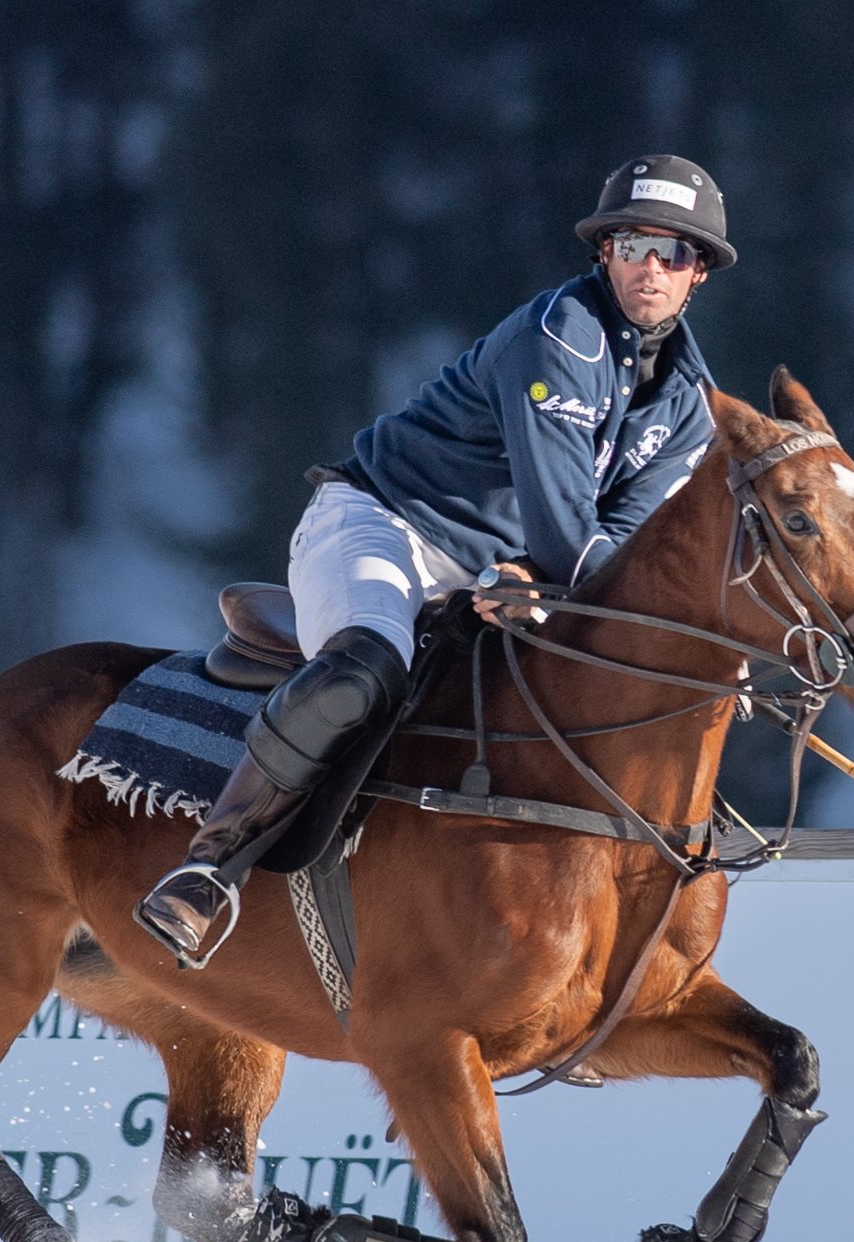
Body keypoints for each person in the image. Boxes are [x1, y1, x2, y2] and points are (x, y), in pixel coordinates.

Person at [135, 154, 732, 965]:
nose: (651, 268)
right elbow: (570, 535)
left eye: (674, 253)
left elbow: (619, 544)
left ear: (699, 272)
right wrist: (559, 583)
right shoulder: (557, 338)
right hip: (384, 527)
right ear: (605, 253)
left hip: (501, 577)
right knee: (364, 670)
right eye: (634, 245)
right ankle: (208, 871)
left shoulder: (693, 410)